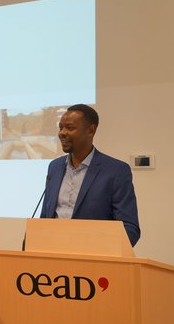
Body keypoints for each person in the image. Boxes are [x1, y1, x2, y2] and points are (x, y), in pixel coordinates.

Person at [39, 104, 141, 246]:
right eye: (60, 127)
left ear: (91, 130)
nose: (62, 133)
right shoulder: (54, 167)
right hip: (53, 256)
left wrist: (103, 254)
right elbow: (45, 218)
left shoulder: (116, 170)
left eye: (70, 128)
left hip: (93, 259)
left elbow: (130, 228)